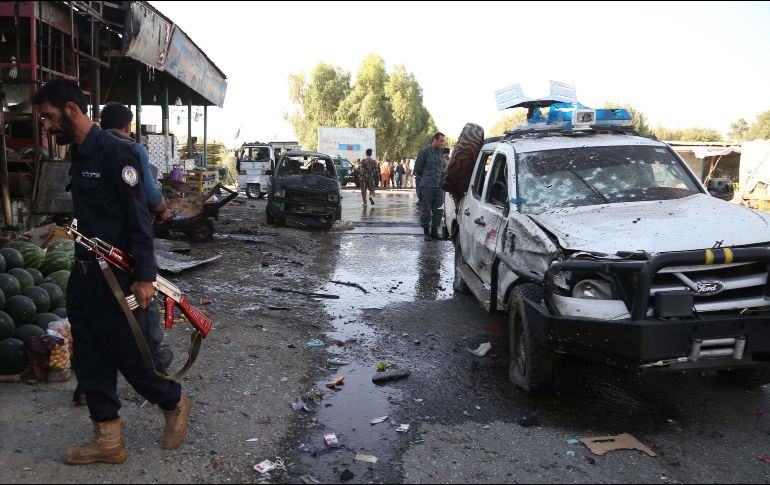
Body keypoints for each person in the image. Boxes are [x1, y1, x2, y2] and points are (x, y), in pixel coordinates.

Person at [32, 79, 190, 465]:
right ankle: (107, 439)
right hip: (85, 275)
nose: (47, 127)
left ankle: (174, 402)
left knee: (133, 356)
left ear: (72, 110)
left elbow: (139, 218)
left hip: (119, 279)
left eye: (49, 117)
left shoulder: (117, 154)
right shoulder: (80, 154)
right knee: (89, 358)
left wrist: (145, 276)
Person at [68, 102, 173, 406]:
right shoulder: (128, 149)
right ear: (128, 125)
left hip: (111, 260)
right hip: (110, 261)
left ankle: (152, 381)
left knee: (115, 328)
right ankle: (154, 353)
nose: (46, 124)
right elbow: (150, 198)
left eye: (48, 117)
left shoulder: (103, 149)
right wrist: (164, 209)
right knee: (140, 314)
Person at [414, 132, 446, 241]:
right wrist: (428, 177)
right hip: (427, 185)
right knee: (426, 209)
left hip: (439, 186)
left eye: (443, 141)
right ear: (435, 140)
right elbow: (418, 169)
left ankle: (434, 231)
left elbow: (442, 168)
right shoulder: (424, 152)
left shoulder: (441, 152)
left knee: (439, 210)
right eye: (441, 141)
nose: (442, 143)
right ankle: (426, 232)